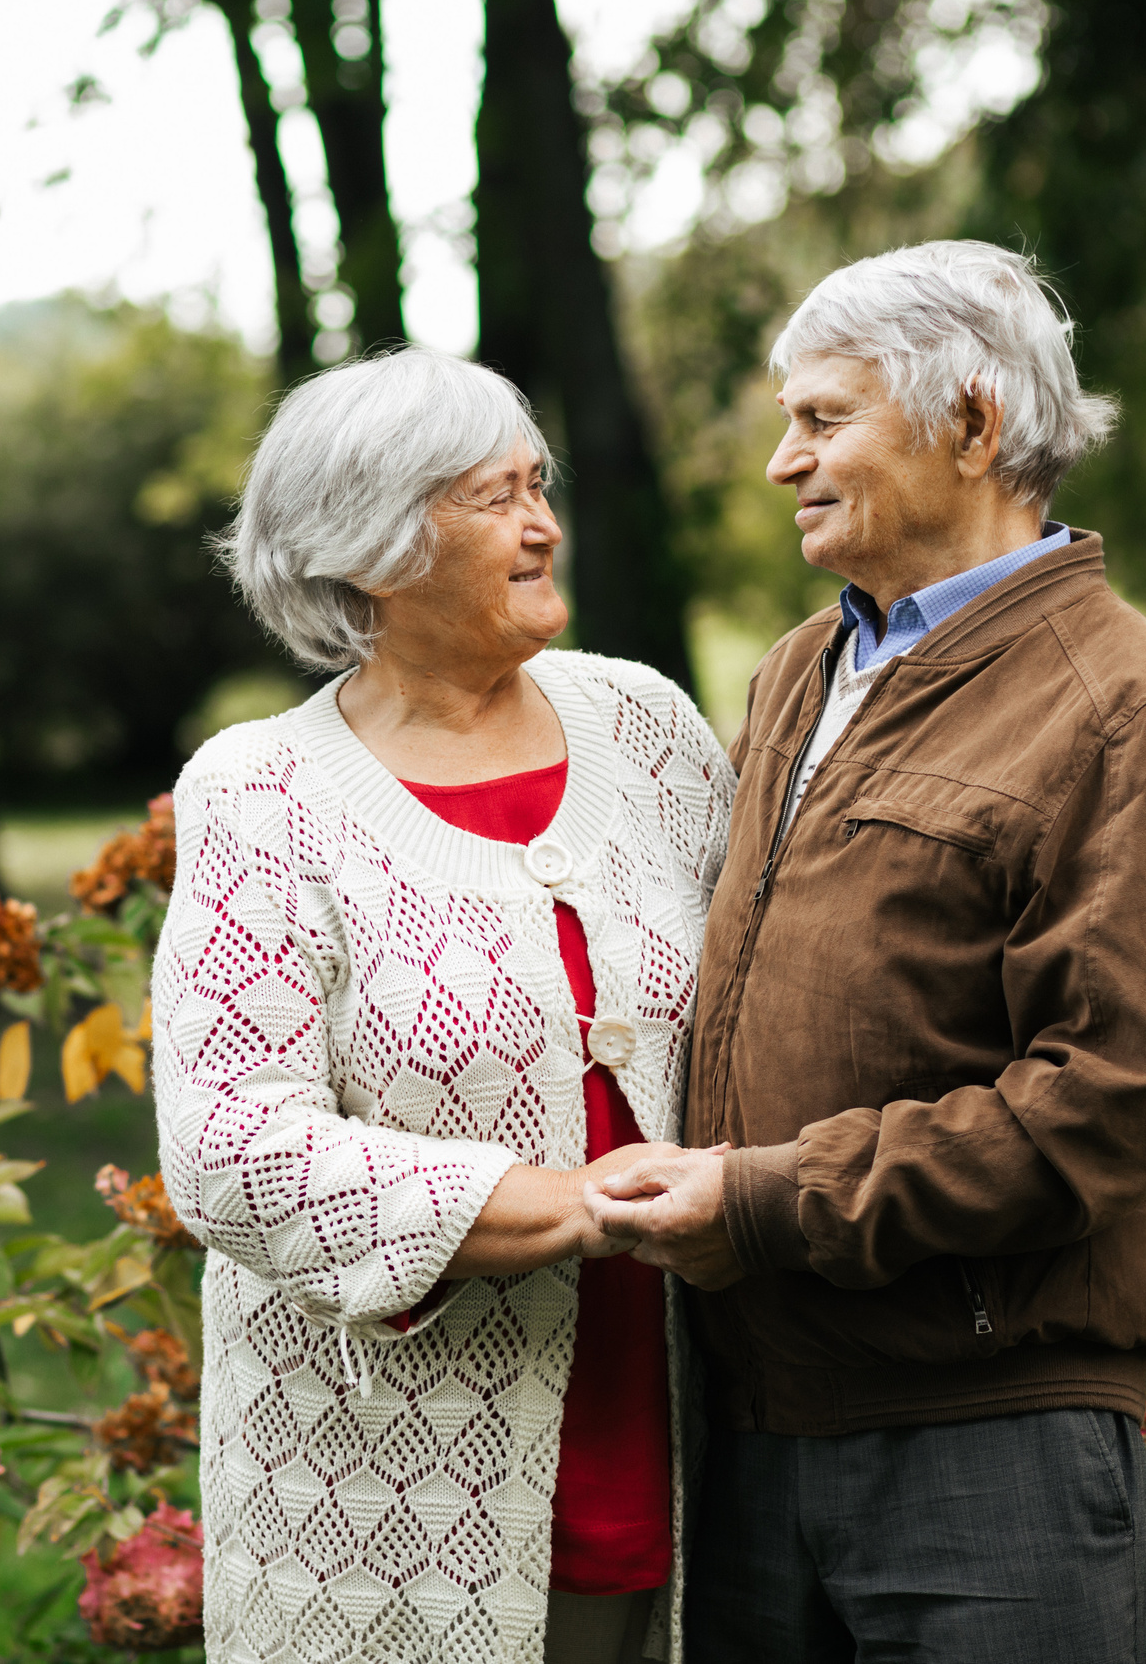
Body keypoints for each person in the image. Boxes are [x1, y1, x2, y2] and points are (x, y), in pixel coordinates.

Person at [588, 239, 1146, 1662]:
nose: (784, 462)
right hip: (751, 1429)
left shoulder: (1139, 711)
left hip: (987, 1446)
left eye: (822, 420)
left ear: (971, 423)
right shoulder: (797, 670)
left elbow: (1110, 1107)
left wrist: (768, 1201)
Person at [152, 346, 735, 1664]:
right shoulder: (265, 794)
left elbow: (769, 993)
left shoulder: (644, 727)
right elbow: (229, 1148)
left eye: (538, 488)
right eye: (492, 500)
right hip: (389, 1509)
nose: (542, 529)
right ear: (372, 550)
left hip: (698, 1447)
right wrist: (559, 1205)